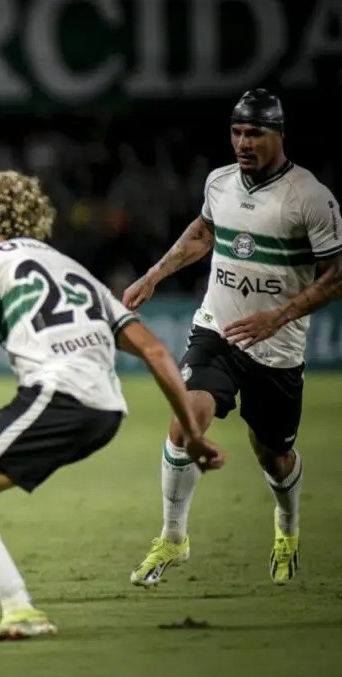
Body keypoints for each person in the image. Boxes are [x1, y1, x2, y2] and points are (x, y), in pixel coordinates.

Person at [0, 170, 223, 641]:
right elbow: (155, 351)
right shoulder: (74, 270)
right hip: (107, 409)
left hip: (59, 394)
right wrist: (192, 438)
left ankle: (20, 609)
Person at [124, 89, 342, 588]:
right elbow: (203, 233)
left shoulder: (310, 197)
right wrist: (154, 276)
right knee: (186, 422)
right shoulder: (220, 181)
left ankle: (287, 527)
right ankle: (173, 537)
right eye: (237, 132)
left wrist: (280, 316)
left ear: (279, 135)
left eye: (255, 133)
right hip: (216, 331)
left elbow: (337, 275)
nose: (243, 142)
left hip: (277, 349)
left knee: (273, 454)